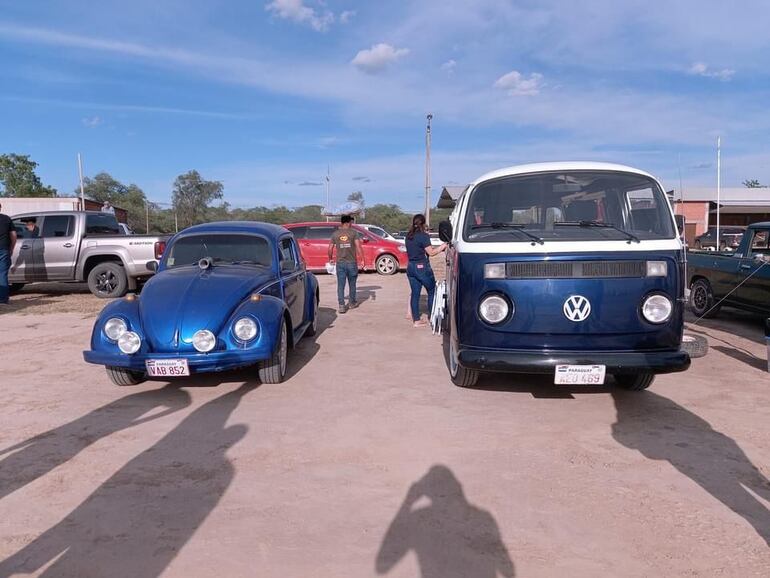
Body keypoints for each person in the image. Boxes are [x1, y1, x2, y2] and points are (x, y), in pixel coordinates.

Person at [405, 214, 447, 327]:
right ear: (423, 224)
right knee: (432, 290)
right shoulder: (423, 236)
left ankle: (416, 321)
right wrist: (443, 246)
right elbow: (431, 252)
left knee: (415, 294)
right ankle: (432, 318)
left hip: (411, 267)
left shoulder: (408, 236)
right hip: (421, 267)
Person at [328, 214, 365, 314]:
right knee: (352, 284)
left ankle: (341, 306)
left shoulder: (335, 234)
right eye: (351, 222)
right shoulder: (354, 233)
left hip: (340, 263)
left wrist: (330, 259)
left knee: (341, 285)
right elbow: (358, 246)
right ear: (349, 222)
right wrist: (362, 259)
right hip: (352, 263)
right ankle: (352, 303)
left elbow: (330, 248)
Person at [0, 202, 18, 305]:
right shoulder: (6, 219)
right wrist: (11, 248)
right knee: (2, 274)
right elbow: (14, 235)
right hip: (3, 250)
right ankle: (2, 300)